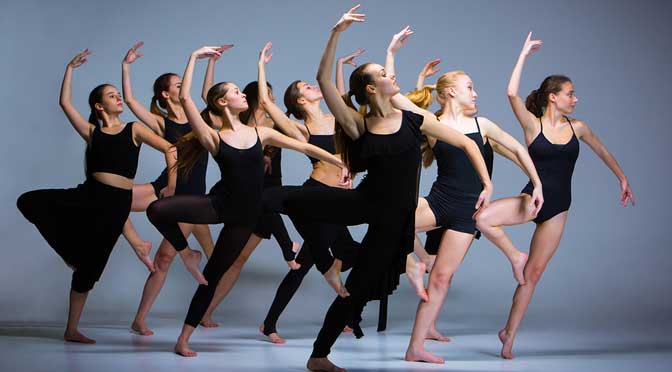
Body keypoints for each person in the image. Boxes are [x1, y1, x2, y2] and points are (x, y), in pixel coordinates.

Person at [474, 32, 635, 359]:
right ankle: (513, 256)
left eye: (574, 95)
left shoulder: (579, 128)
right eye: (570, 94)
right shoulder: (533, 126)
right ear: (552, 97)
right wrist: (523, 53)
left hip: (559, 209)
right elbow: (510, 92)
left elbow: (602, 152)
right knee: (483, 219)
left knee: (532, 276)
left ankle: (509, 336)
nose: (575, 99)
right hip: (531, 201)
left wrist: (622, 178)